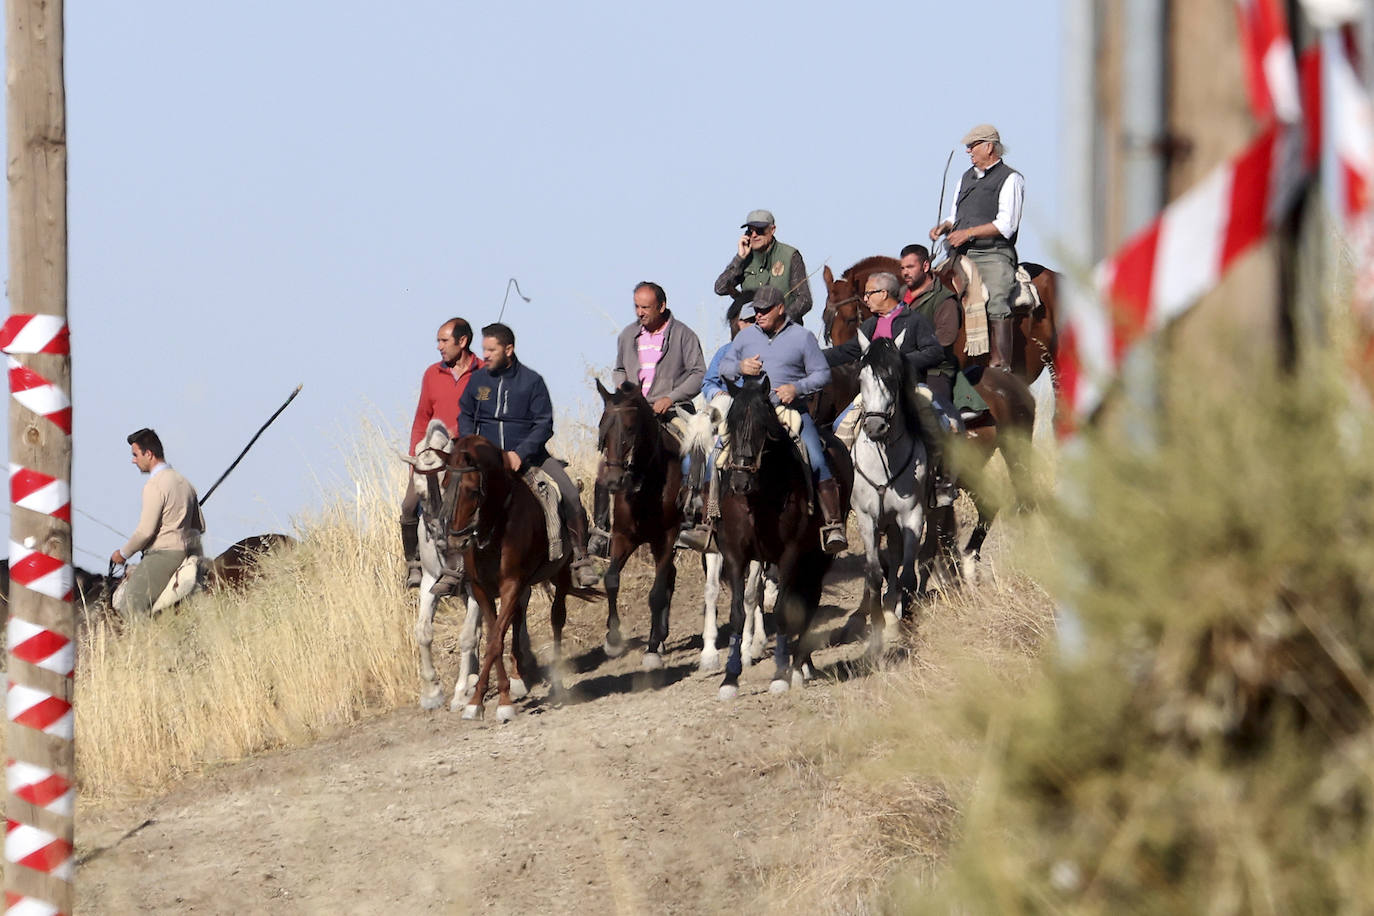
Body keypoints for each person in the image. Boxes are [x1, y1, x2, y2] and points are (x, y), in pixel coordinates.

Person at [458, 322, 599, 587]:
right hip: (485, 462)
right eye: (483, 349)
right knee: (455, 491)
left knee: (568, 491)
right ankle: (453, 563)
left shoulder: (532, 382)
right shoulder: (477, 381)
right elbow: (465, 414)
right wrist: (471, 445)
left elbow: (543, 424)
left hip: (531, 458)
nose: (484, 355)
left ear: (508, 349)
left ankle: (580, 557)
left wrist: (519, 454)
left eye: (491, 350)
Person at [718, 285, 847, 553]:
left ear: (780, 309)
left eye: (765, 310)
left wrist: (796, 388)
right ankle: (706, 521)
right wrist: (740, 367)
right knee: (716, 454)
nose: (760, 315)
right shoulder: (745, 337)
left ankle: (832, 524)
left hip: (790, 411)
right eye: (757, 310)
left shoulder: (803, 337)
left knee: (816, 455)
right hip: (751, 412)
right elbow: (723, 367)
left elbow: (822, 374)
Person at [588, 282, 707, 557]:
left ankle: (690, 516)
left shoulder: (684, 335)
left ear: (661, 307)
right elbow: (618, 369)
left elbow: (698, 373)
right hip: (634, 412)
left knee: (694, 448)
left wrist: (672, 397)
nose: (639, 312)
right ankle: (602, 530)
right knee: (608, 460)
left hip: (672, 410)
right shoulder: (627, 335)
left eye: (645, 307)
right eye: (636, 306)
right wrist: (623, 389)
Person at [822, 271, 958, 507]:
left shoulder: (914, 321)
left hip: (911, 389)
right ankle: (848, 486)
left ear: (883, 293)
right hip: (873, 395)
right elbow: (848, 351)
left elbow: (935, 352)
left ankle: (940, 482)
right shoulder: (871, 325)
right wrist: (813, 357)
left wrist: (900, 363)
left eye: (869, 293)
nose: (865, 299)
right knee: (839, 427)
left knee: (941, 423)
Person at [929, 124, 1024, 370]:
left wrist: (968, 233)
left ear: (989, 146)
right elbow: (954, 216)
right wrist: (943, 227)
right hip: (959, 253)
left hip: (992, 253)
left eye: (972, 146)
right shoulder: (965, 177)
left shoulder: (1011, 178)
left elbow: (1007, 225)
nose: (968, 151)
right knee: (928, 289)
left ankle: (1001, 364)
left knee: (996, 296)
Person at [400, 317, 480, 588]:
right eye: (438, 341)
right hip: (432, 458)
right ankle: (414, 565)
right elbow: (421, 420)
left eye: (444, 341)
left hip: (466, 457)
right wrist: (415, 461)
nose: (439, 347)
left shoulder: (484, 373)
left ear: (463, 341)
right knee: (408, 507)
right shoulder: (432, 374)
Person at [110, 428, 206, 615]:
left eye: (136, 455)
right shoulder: (185, 483)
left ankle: (147, 644)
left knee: (130, 605)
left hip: (163, 556)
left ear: (149, 454)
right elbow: (199, 526)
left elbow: (145, 532)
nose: (133, 460)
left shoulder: (154, 486)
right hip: (188, 552)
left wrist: (123, 553)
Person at [713, 209, 813, 324]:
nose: (754, 235)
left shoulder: (790, 256)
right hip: (752, 330)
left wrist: (781, 320)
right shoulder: (745, 259)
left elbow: (805, 300)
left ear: (772, 230)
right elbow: (720, 288)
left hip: (786, 330)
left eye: (760, 230)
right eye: (750, 232)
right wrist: (739, 258)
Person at [898, 244, 961, 423]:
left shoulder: (944, 299)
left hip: (935, 369)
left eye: (910, 267)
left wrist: (907, 356)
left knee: (937, 416)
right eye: (902, 268)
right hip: (902, 367)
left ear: (925, 266)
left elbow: (945, 339)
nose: (905, 273)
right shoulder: (900, 296)